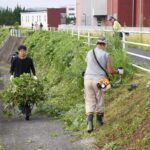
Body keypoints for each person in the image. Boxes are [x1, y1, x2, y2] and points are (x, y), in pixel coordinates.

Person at [84, 37, 123, 133]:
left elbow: (88, 65)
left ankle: (89, 121)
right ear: (104, 45)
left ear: (97, 43)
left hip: (87, 79)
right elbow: (110, 71)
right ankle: (99, 121)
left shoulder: (89, 52)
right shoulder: (106, 54)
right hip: (101, 80)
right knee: (100, 99)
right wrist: (118, 71)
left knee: (89, 100)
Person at [10, 45, 37, 120]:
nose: (22, 52)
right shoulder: (15, 59)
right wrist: (11, 75)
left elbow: (32, 68)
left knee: (28, 95)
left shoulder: (29, 60)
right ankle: (23, 109)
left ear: (25, 51)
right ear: (19, 51)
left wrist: (34, 76)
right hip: (17, 80)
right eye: (21, 51)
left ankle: (28, 110)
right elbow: (11, 69)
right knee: (19, 96)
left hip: (27, 80)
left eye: (24, 51)